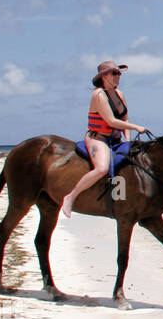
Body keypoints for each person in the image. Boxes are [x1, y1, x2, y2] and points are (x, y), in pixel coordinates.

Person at [60, 61, 147, 218]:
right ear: (104, 77)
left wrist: (127, 141)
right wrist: (137, 127)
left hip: (115, 139)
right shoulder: (98, 95)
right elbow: (111, 121)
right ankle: (71, 197)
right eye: (114, 73)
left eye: (119, 73)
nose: (118, 76)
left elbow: (124, 120)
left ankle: (121, 199)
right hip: (98, 139)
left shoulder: (119, 94)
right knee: (102, 169)